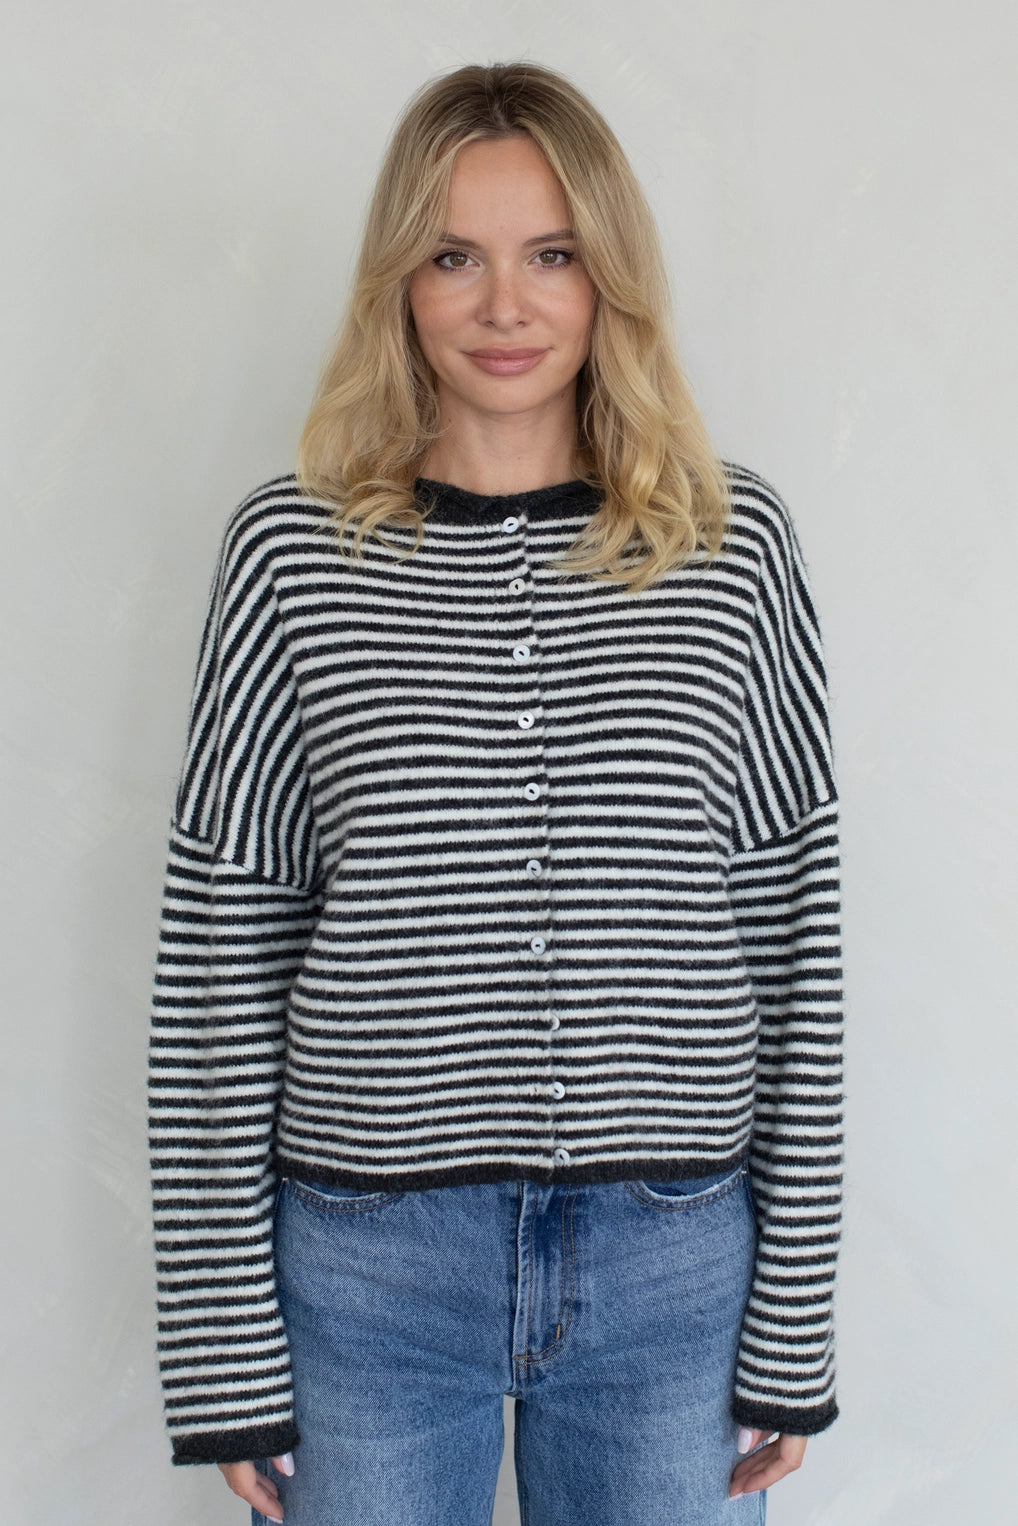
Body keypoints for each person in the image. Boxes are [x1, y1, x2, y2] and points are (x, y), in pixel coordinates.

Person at [148, 62, 843, 1526]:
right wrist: (220, 1348)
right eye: (454, 257)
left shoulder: (728, 551)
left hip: (673, 1268)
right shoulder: (292, 556)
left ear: (610, 280)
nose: (505, 306)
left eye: (553, 255)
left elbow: (792, 934)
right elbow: (220, 953)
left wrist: (793, 1314)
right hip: (367, 1273)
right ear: (399, 285)